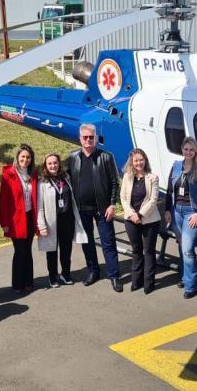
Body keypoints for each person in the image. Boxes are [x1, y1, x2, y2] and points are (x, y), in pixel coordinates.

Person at [64, 123, 122, 292]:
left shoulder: (106, 156)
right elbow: (66, 178)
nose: (88, 140)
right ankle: (93, 271)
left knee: (108, 242)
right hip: (82, 209)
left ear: (95, 138)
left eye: (91, 137)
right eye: (85, 137)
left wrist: (112, 204)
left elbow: (114, 182)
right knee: (87, 242)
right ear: (80, 139)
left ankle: (114, 275)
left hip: (103, 209)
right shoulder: (73, 157)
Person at [164, 137, 197, 299]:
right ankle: (186, 277)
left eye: (192, 149)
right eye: (186, 149)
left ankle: (192, 285)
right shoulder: (176, 166)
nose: (188, 152)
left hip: (192, 212)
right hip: (176, 211)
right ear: (182, 149)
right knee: (180, 245)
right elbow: (170, 190)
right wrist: (167, 210)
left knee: (187, 248)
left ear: (196, 151)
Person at [36, 152, 88, 288]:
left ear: (59, 164)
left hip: (67, 220)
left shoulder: (66, 178)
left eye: (55, 163)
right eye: (50, 163)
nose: (53, 166)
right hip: (51, 222)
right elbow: (39, 207)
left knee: (66, 250)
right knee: (51, 251)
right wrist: (41, 225)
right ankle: (52, 277)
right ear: (45, 166)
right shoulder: (42, 182)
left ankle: (66, 274)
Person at [119, 149, 161, 294]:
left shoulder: (153, 177)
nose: (139, 163)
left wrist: (140, 215)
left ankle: (149, 283)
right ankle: (136, 280)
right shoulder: (127, 177)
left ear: (145, 160)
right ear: (132, 162)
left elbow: (153, 200)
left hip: (149, 220)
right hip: (131, 220)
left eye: (141, 159)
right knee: (136, 251)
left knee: (148, 251)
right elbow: (123, 198)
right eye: (136, 160)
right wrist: (132, 215)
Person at [0, 144, 38, 294]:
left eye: (28, 157)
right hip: (16, 219)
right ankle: (17, 284)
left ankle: (28, 282)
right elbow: (3, 201)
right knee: (20, 251)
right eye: (23, 157)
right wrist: (4, 222)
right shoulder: (8, 174)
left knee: (27, 250)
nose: (25, 160)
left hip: (30, 217)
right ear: (17, 157)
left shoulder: (33, 174)